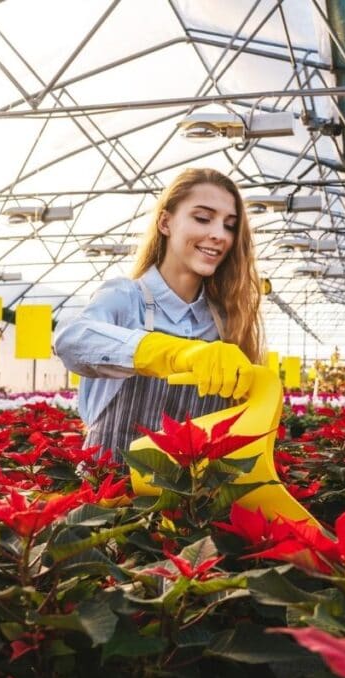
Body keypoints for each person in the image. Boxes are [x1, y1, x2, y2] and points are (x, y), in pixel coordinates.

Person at [54, 168, 265, 464]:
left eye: (229, 225)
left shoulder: (228, 321)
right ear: (165, 222)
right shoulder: (127, 298)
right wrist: (175, 354)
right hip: (110, 487)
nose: (219, 235)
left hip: (190, 490)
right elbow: (71, 340)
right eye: (202, 218)